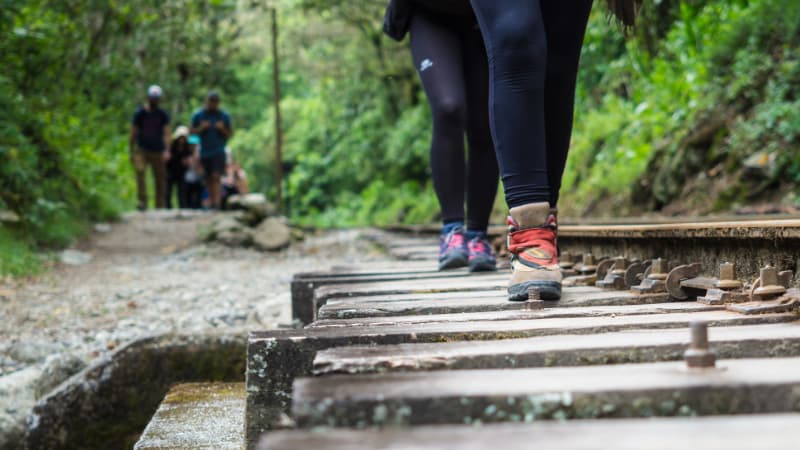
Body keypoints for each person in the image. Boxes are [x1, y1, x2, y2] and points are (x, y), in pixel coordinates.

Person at [383, 0, 499, 272]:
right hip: (430, 14)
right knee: (449, 108)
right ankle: (452, 229)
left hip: (484, 15)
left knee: (484, 124)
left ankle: (478, 235)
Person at [130, 85, 171, 210]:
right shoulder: (140, 113)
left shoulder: (163, 115)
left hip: (158, 150)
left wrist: (167, 150)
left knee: (160, 178)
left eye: (157, 98)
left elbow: (167, 133)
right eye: (153, 97)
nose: (155, 100)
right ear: (148, 97)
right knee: (140, 173)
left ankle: (160, 205)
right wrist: (131, 150)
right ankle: (142, 201)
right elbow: (134, 132)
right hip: (142, 149)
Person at [191, 91, 232, 210]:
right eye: (211, 101)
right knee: (207, 178)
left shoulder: (223, 116)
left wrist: (222, 129)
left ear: (218, 103)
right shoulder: (198, 115)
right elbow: (191, 134)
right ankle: (211, 202)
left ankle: (217, 204)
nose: (213, 103)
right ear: (206, 101)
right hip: (204, 151)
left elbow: (229, 133)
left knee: (216, 176)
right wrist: (201, 128)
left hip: (218, 151)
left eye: (215, 101)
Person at [165, 125, 193, 209]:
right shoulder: (171, 147)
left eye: (183, 138)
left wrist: (187, 162)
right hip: (171, 171)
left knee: (181, 191)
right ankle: (168, 207)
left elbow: (189, 160)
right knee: (168, 190)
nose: (181, 140)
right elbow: (167, 159)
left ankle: (182, 207)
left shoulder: (187, 148)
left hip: (181, 172)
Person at [183, 135, 205, 209]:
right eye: (191, 145)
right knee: (188, 197)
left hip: (198, 179)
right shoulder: (186, 153)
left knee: (198, 196)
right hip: (188, 179)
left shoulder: (202, 153)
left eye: (194, 144)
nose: (192, 146)